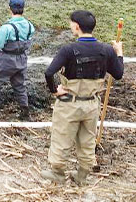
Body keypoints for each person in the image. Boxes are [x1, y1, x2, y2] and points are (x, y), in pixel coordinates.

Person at [41, 10, 124, 186]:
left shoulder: (68, 50)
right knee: (87, 141)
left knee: (62, 138)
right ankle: (82, 176)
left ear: (76, 26)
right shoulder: (106, 50)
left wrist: (55, 90)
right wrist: (119, 53)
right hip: (92, 105)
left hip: (69, 104)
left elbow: (49, 72)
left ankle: (57, 173)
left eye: (71, 23)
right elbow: (118, 74)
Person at [0, 0, 35, 119]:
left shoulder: (7, 28)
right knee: (20, 86)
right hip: (22, 59)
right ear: (23, 9)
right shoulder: (30, 26)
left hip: (6, 60)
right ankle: (25, 112)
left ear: (10, 9)